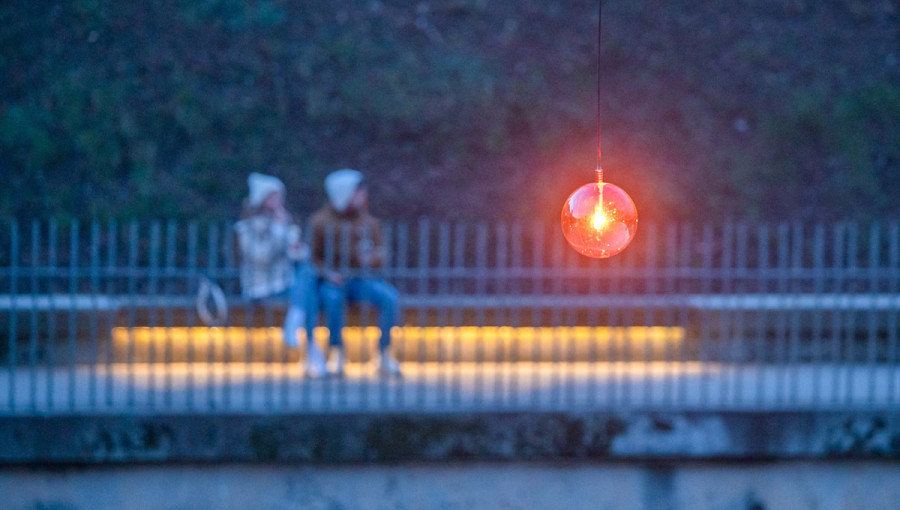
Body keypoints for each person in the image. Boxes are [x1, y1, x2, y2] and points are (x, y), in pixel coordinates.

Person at [310, 168, 401, 376]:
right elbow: (311, 258)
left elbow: (382, 253)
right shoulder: (321, 221)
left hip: (360, 279)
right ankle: (337, 351)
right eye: (357, 192)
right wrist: (328, 274)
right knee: (332, 299)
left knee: (390, 297)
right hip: (332, 280)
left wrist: (371, 258)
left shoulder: (369, 222)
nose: (362, 197)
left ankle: (384, 353)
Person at [234, 172, 326, 377]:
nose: (278, 201)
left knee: (308, 278)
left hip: (284, 283)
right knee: (307, 296)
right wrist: (279, 229)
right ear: (261, 198)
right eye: (272, 196)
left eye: (279, 196)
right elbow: (260, 256)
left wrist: (297, 247)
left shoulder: (284, 221)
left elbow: (299, 255)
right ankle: (311, 350)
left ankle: (298, 326)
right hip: (262, 287)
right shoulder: (247, 226)